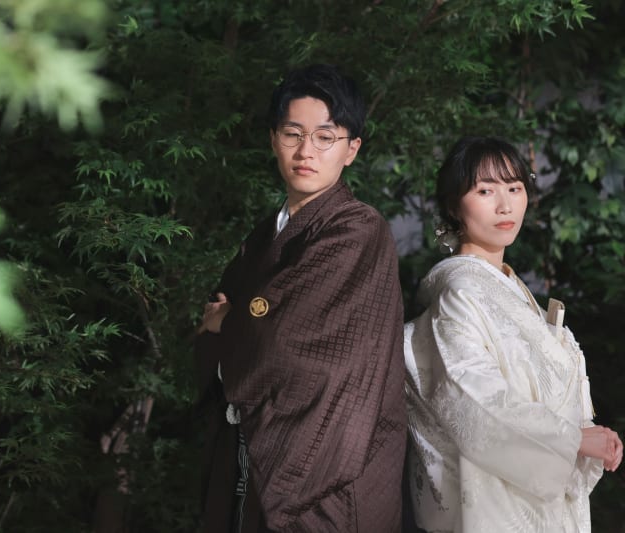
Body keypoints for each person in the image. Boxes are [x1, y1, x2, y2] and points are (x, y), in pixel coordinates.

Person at [195, 63, 407, 532]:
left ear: (351, 149)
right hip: (249, 452)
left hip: (332, 470)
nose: (306, 151)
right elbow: (242, 319)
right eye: (293, 134)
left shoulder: (359, 229)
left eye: (324, 137)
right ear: (274, 139)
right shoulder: (264, 236)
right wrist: (240, 322)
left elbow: (293, 340)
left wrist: (229, 322)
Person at [404, 136, 623, 532]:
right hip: (499, 507)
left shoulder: (510, 290)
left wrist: (587, 434)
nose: (504, 205)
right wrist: (572, 439)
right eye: (485, 190)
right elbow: (472, 400)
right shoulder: (460, 292)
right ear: (453, 205)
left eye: (514, 188)